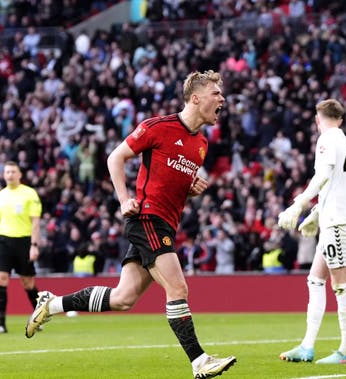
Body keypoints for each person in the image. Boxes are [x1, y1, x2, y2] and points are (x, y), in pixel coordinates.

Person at [25, 70, 236, 379]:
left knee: (124, 298)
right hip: (147, 218)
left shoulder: (201, 144)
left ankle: (52, 304)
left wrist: (188, 184)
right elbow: (115, 157)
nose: (222, 98)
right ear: (196, 98)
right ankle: (199, 361)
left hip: (166, 222)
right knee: (177, 287)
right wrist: (124, 199)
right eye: (216, 93)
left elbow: (168, 177)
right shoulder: (157, 127)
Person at [277, 99, 346, 365]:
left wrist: (299, 204)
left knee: (341, 285)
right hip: (334, 218)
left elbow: (323, 176)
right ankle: (307, 347)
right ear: (340, 118)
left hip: (338, 222)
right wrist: (316, 214)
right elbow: (339, 186)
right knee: (315, 280)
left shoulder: (327, 140)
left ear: (318, 119)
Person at [0, 161, 43, 334]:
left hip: (24, 241)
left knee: (28, 283)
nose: (9, 175)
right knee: (1, 278)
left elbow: (36, 223)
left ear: (19, 174)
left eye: (13, 172)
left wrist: (34, 245)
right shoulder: (0, 195)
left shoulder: (30, 194)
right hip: (4, 241)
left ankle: (39, 316)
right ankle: (1, 324)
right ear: (3, 175)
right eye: (7, 172)